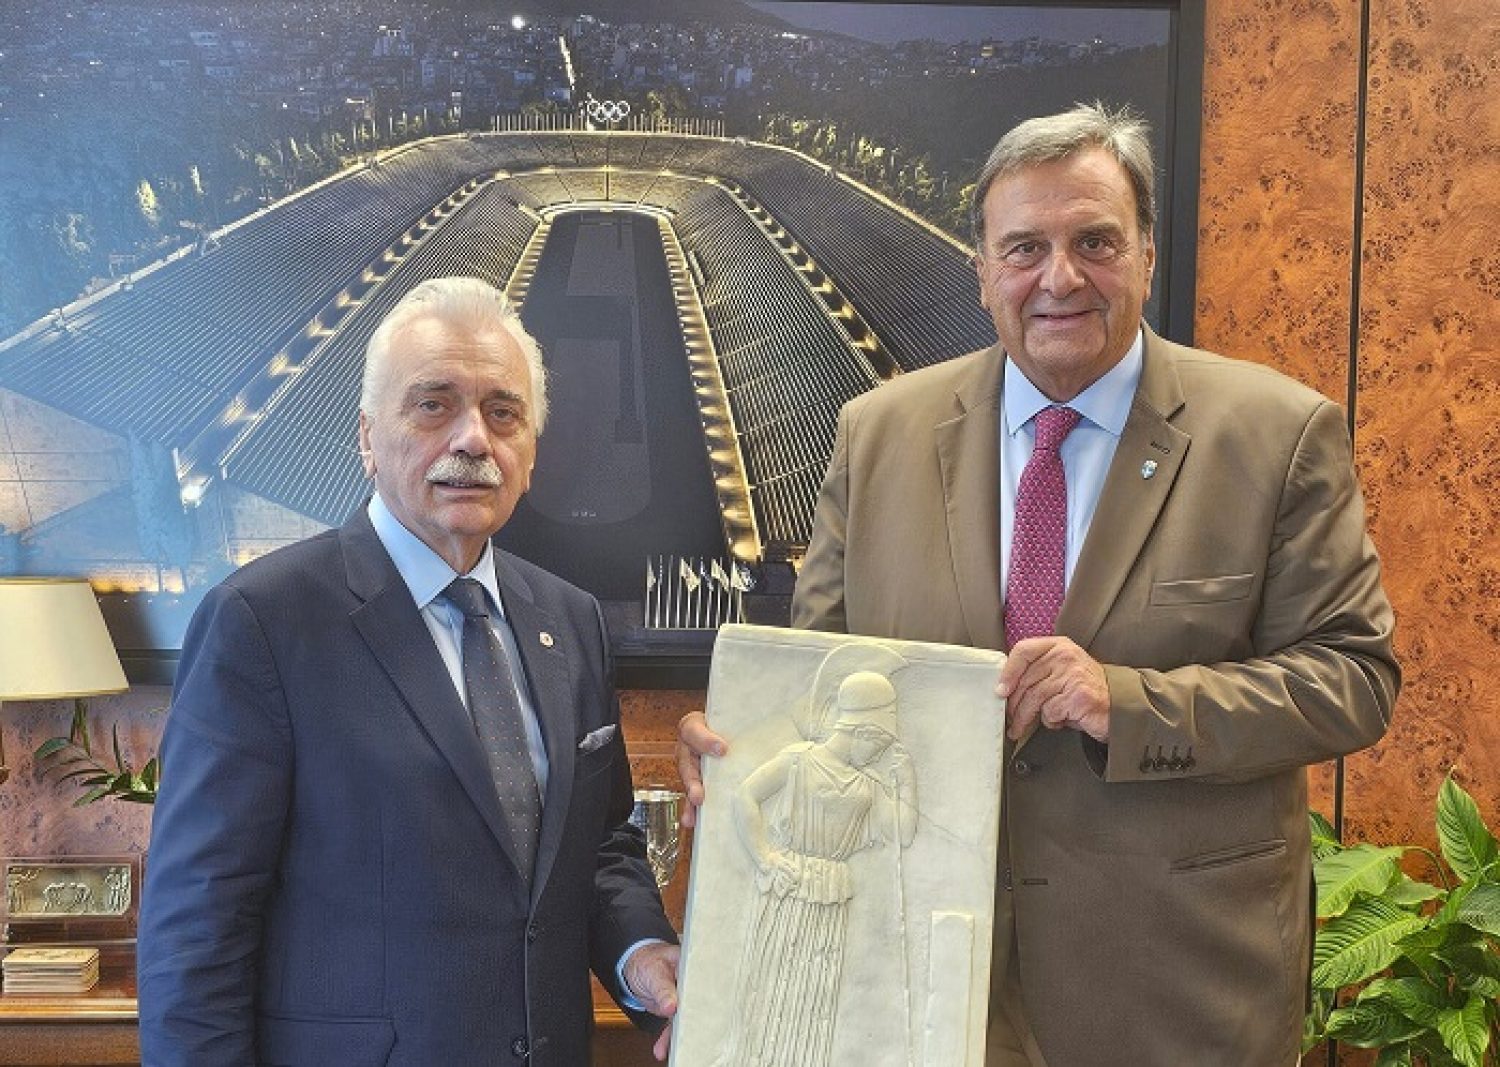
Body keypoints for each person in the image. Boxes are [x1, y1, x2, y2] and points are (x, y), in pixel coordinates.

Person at [679, 103, 1399, 1066]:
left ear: (1147, 255)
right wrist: (741, 740)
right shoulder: (877, 434)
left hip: (1176, 986)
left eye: (1095, 241)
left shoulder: (1276, 434)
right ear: (981, 272)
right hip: (925, 990)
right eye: (1024, 248)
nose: (1060, 278)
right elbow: (819, 678)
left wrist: (1126, 702)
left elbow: (1353, 678)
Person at [139, 277, 680, 1066]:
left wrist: (641, 955)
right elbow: (197, 933)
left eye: (503, 412)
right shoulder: (262, 622)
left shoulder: (572, 619)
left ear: (530, 451)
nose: (473, 439)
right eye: (433, 404)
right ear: (367, 436)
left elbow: (597, 848)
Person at [716, 671, 917, 1067]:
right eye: (879, 743)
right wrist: (764, 856)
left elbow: (903, 833)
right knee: (773, 982)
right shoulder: (800, 760)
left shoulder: (866, 784)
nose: (878, 753)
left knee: (815, 994)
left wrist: (906, 783)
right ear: (862, 731)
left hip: (831, 890)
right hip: (790, 884)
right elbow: (745, 796)